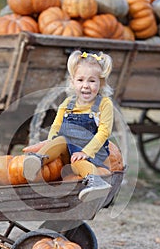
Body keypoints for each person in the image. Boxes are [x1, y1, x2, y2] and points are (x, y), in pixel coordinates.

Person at [23, 50, 114, 202]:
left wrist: (86, 152)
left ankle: (95, 180)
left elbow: (104, 132)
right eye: (80, 80)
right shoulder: (67, 104)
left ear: (101, 83)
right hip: (68, 151)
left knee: (79, 162)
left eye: (92, 81)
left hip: (91, 153)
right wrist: (50, 141)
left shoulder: (104, 104)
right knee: (60, 140)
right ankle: (37, 161)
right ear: (72, 82)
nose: (85, 86)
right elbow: (56, 126)